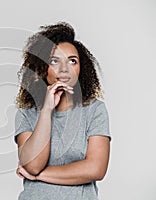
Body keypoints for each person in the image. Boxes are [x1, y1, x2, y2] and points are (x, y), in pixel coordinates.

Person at [14, 22, 111, 200]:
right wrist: (46, 110)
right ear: (42, 68)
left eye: (72, 61)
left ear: (81, 68)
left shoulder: (94, 110)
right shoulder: (26, 113)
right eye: (54, 60)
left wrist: (39, 176)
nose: (64, 69)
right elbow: (34, 164)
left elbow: (96, 168)